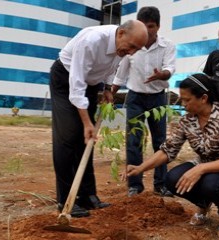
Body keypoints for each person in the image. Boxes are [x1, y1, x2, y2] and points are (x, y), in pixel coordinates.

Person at [125, 73, 219, 239]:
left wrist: (201, 169)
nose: (183, 104)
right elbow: (168, 150)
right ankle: (203, 203)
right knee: (172, 179)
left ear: (203, 98)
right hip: (208, 168)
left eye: (187, 100)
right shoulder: (187, 121)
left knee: (211, 183)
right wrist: (141, 168)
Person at [49, 20, 148, 218]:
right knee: (67, 138)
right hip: (66, 80)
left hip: (91, 84)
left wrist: (107, 88)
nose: (131, 52)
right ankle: (66, 200)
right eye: (131, 47)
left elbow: (112, 67)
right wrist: (87, 123)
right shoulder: (91, 41)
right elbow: (76, 87)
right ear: (120, 34)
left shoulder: (122, 47)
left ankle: (87, 195)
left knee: (86, 142)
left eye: (136, 49)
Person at [112, 6, 176, 197]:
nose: (148, 31)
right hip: (135, 98)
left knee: (160, 142)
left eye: (152, 26)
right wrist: (111, 91)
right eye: (144, 26)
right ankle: (135, 185)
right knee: (134, 142)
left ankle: (161, 184)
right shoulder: (132, 44)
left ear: (158, 26)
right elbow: (121, 71)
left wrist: (162, 74)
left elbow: (170, 68)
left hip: (158, 98)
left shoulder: (167, 46)